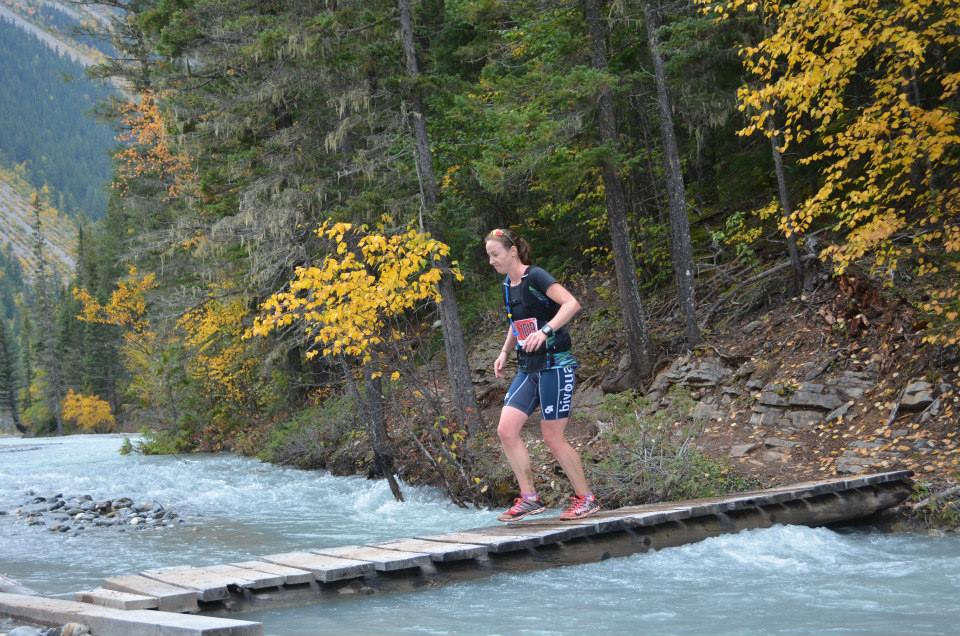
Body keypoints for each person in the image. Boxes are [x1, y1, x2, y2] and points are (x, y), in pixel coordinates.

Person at [484, 228, 600, 522]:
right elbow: (517, 322)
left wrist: (546, 330)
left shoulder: (536, 276)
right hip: (528, 367)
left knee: (552, 436)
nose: (491, 261)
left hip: (556, 365)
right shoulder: (508, 285)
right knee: (506, 430)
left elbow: (571, 303)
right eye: (488, 256)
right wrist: (504, 352)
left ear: (512, 251)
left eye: (494, 254)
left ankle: (585, 499)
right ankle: (530, 499)